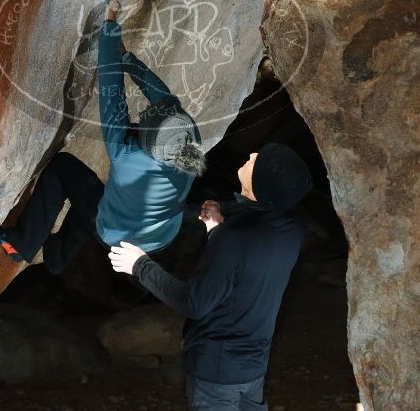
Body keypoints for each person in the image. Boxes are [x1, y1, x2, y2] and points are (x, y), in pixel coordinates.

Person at [0, 0, 206, 274]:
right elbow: (163, 98)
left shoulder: (126, 154)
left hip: (119, 235)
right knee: (97, 197)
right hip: (158, 237)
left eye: (145, 120)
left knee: (63, 169)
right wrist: (127, 57)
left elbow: (111, 89)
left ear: (146, 142)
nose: (144, 114)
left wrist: (111, 23)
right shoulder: (188, 136)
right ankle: (58, 256)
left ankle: (22, 244)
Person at [109, 143, 313, 410]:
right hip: (252, 367)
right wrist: (217, 226)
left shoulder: (235, 238)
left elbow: (194, 303)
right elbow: (250, 249)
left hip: (217, 372)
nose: (251, 154)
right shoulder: (294, 229)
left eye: (258, 160)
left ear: (264, 183)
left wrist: (140, 266)